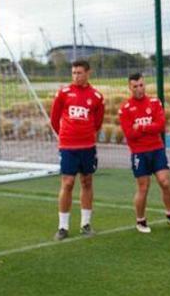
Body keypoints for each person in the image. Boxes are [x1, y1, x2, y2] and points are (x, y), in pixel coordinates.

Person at [118, 72, 170, 233]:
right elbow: (129, 134)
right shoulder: (125, 108)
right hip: (139, 152)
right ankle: (141, 220)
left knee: (165, 182)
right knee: (143, 187)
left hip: (157, 149)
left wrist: (141, 127)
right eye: (135, 86)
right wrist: (147, 128)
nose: (139, 89)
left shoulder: (154, 102)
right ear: (129, 87)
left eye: (141, 85)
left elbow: (160, 126)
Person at [49, 60, 105, 240]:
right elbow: (54, 119)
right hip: (68, 146)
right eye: (73, 73)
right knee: (67, 183)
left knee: (87, 182)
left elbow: (97, 122)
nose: (76, 76)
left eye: (79, 73)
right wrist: (65, 135)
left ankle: (85, 224)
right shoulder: (63, 94)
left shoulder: (96, 96)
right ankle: (63, 226)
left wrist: (86, 134)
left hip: (87, 146)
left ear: (88, 73)